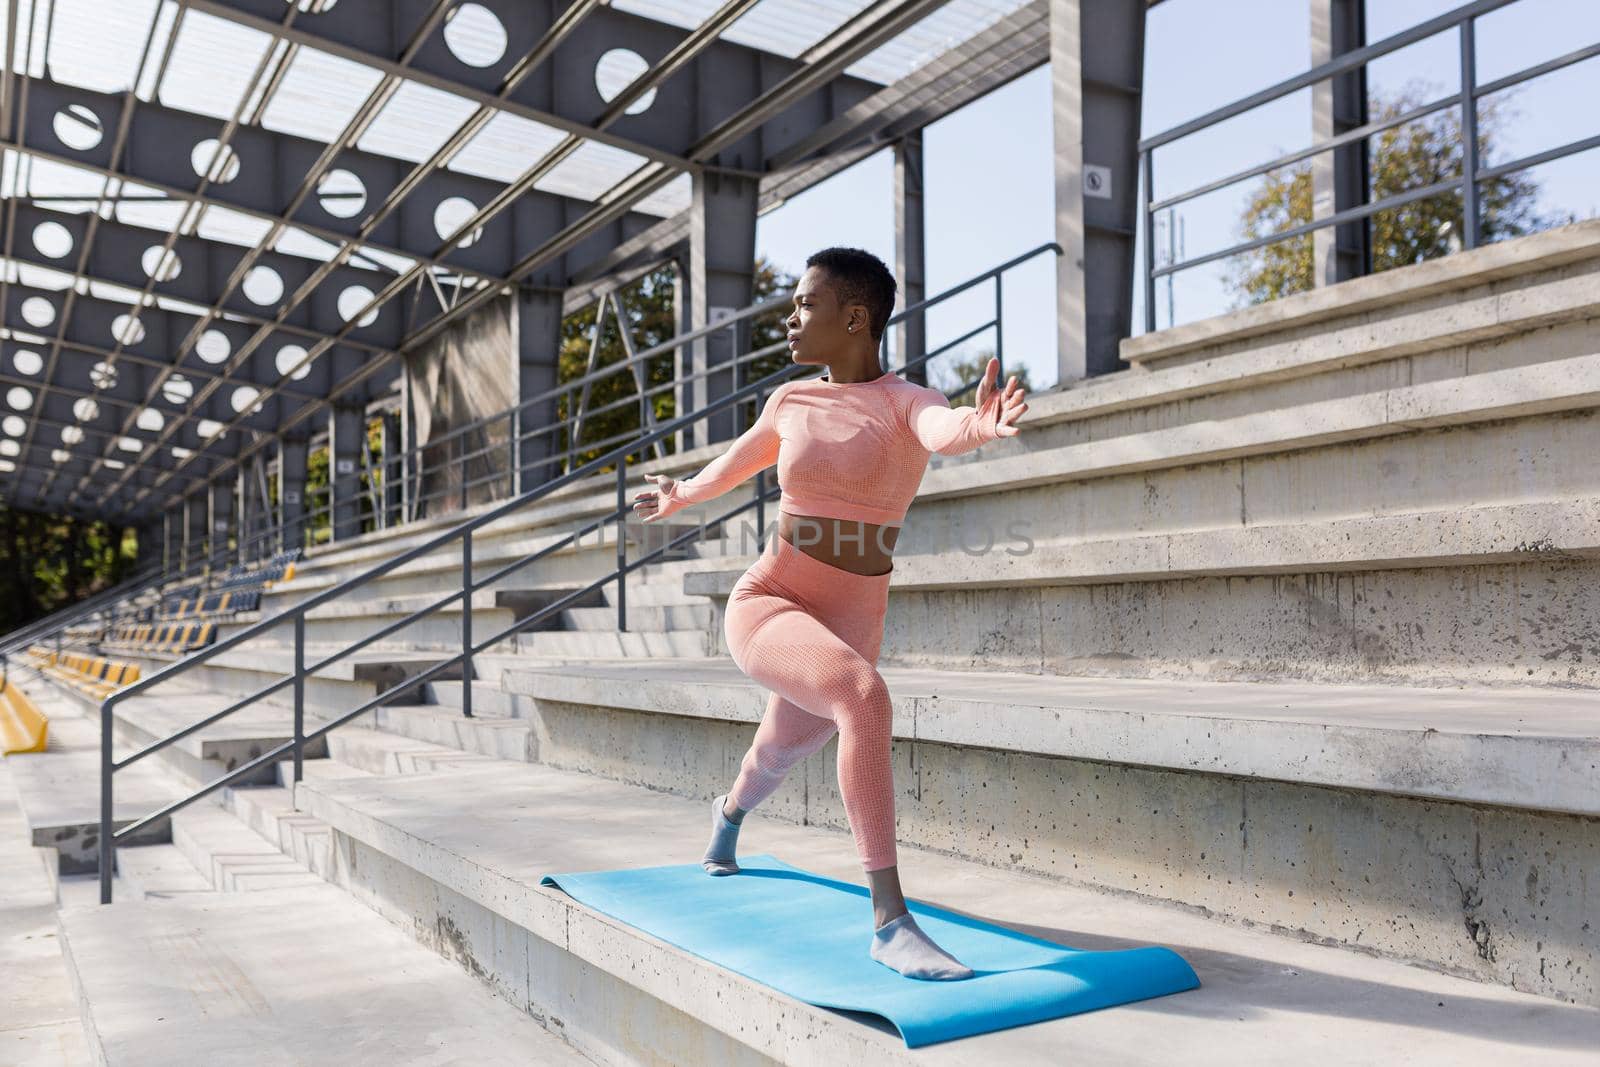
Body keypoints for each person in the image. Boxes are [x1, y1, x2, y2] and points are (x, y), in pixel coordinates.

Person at [632, 247, 1028, 981]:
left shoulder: (907, 402)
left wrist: (981, 423)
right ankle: (890, 922)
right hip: (769, 602)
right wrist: (679, 494)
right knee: (863, 696)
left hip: (848, 626)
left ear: (855, 317)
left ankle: (726, 816)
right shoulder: (790, 402)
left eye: (806, 303)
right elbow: (734, 464)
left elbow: (945, 429)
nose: (792, 316)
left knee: (776, 753)